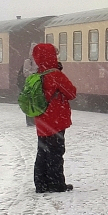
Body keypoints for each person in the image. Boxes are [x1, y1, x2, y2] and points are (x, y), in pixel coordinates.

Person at [31, 42, 77, 193]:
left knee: (42, 151)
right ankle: (56, 184)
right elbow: (71, 93)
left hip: (41, 119)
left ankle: (41, 183)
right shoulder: (55, 75)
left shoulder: (36, 75)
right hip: (56, 120)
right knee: (56, 153)